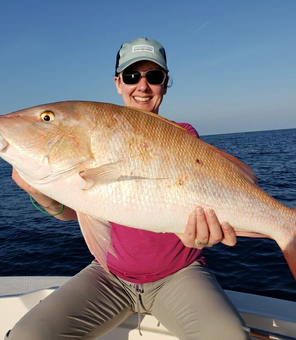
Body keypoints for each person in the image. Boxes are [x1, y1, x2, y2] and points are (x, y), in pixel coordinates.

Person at [6, 37, 251, 340]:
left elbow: (188, 215)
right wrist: (39, 191)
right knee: (27, 336)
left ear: (165, 83)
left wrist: (201, 237)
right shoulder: (92, 135)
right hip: (109, 277)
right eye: (132, 76)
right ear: (118, 82)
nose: (143, 86)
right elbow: (71, 211)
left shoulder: (184, 136)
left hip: (178, 275)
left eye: (155, 76)